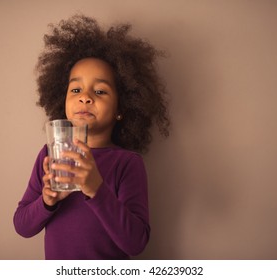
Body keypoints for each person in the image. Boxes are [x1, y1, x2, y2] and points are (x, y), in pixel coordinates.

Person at [13, 14, 170, 260]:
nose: (85, 97)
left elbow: (136, 242)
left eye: (99, 91)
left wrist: (96, 188)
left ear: (121, 108)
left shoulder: (127, 164)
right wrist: (46, 201)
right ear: (61, 99)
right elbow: (22, 226)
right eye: (76, 89)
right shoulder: (49, 154)